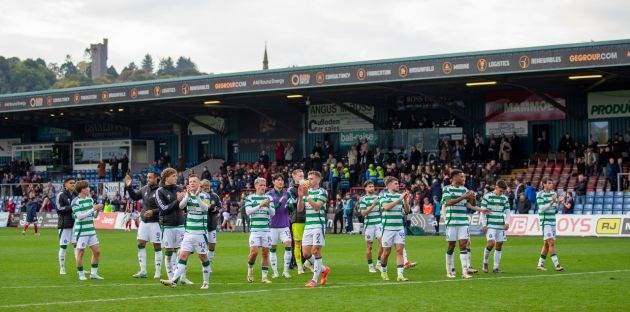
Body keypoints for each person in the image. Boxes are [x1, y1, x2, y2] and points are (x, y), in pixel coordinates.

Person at [161, 174, 212, 289]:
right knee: (183, 255)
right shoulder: (188, 195)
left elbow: (205, 208)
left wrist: (196, 196)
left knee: (203, 257)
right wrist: (188, 196)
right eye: (190, 181)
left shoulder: (205, 195)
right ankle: (173, 280)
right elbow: (180, 206)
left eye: (194, 181)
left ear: (199, 184)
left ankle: (206, 282)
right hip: (189, 232)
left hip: (200, 233)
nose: (192, 183)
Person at [441, 169, 489, 279]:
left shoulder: (464, 189)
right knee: (451, 246)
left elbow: (469, 205)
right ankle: (449, 270)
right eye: (461, 177)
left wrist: (476, 202)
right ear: (454, 178)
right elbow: (448, 203)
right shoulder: (447, 189)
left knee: (464, 245)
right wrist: (464, 196)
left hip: (463, 222)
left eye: (464, 177)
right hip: (451, 221)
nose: (464, 179)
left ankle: (464, 272)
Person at [156, 168, 191, 284]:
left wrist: (186, 199)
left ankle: (182, 278)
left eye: (176, 176)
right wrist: (177, 201)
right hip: (167, 226)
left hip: (181, 225)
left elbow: (184, 207)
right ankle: (171, 278)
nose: (176, 178)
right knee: (169, 252)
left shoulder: (180, 189)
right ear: (166, 178)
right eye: (173, 176)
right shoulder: (160, 191)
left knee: (182, 252)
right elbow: (163, 209)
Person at [125, 172, 163, 279]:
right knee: (140, 244)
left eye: (150, 177)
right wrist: (129, 187)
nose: (148, 179)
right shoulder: (144, 189)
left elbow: (164, 207)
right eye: (147, 177)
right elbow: (135, 197)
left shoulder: (161, 190)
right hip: (144, 222)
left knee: (157, 246)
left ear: (156, 178)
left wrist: (153, 212)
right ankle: (143, 271)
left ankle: (158, 271)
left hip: (155, 223)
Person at [297, 171, 331, 288]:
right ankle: (324, 269)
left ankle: (314, 280)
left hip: (318, 225)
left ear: (318, 180)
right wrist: (301, 197)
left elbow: (317, 207)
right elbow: (300, 209)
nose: (309, 180)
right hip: (308, 226)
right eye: (308, 178)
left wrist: (306, 195)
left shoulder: (323, 192)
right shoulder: (307, 192)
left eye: (311, 178)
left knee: (315, 251)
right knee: (306, 254)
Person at [377, 177, 411, 282]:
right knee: (386, 252)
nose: (398, 185)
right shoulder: (383, 195)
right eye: (395, 183)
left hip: (399, 228)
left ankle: (400, 275)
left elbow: (406, 211)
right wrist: (400, 199)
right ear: (389, 185)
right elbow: (386, 207)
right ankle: (383, 270)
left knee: (399, 250)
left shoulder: (399, 196)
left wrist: (405, 201)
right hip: (387, 228)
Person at [71, 180, 104, 280]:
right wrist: (93, 209)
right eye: (87, 187)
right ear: (82, 190)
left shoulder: (90, 200)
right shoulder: (75, 202)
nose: (89, 189)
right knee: (80, 253)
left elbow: (93, 216)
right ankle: (81, 274)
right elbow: (79, 216)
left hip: (91, 230)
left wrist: (97, 210)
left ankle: (93, 274)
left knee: (97, 252)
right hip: (81, 231)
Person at [245, 178, 276, 284]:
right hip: (254, 230)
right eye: (261, 185)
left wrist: (268, 205)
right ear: (256, 186)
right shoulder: (250, 198)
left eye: (264, 185)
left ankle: (264, 277)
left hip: (266, 230)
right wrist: (260, 205)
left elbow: (273, 213)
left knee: (265, 253)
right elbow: (248, 212)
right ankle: (250, 270)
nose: (263, 187)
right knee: (254, 252)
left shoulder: (269, 198)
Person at [481, 180, 511, 273]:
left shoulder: (504, 198)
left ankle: (496, 267)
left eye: (503, 191)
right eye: (500, 191)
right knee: (491, 243)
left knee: (499, 244)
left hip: (500, 225)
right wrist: (484, 224)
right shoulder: (487, 197)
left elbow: (507, 212)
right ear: (496, 187)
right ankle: (485, 262)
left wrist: (507, 222)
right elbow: (482, 212)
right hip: (490, 225)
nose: (501, 193)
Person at [267, 174, 293, 279]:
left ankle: (285, 271)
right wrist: (278, 204)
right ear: (273, 182)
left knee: (288, 245)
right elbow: (270, 210)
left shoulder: (287, 194)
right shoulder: (269, 194)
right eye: (278, 180)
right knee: (272, 248)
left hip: (284, 225)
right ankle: (275, 271)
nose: (280, 182)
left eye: (282, 180)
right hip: (272, 226)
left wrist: (291, 207)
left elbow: (292, 208)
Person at [536, 178, 564, 272]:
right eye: (549, 183)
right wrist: (552, 202)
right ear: (544, 184)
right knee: (551, 242)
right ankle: (557, 265)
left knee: (546, 245)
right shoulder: (540, 194)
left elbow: (555, 209)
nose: (551, 185)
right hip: (545, 222)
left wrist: (559, 203)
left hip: (552, 221)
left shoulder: (554, 194)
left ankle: (540, 264)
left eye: (552, 183)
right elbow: (542, 208)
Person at [358, 181, 383, 273]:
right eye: (369, 186)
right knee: (369, 247)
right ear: (365, 188)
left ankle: (379, 263)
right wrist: (373, 205)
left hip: (379, 223)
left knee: (383, 244)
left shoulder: (378, 198)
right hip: (369, 225)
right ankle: (370, 266)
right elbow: (363, 213)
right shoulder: (363, 199)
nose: (372, 188)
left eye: (373, 186)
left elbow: (382, 209)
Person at [288, 169, 306, 274]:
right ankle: (294, 263)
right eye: (299, 176)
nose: (302, 178)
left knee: (306, 242)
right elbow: (293, 203)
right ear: (294, 176)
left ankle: (304, 262)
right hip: (296, 218)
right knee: (295, 242)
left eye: (303, 176)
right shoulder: (291, 190)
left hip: (307, 217)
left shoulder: (307, 187)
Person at [56, 178, 76, 275]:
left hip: (76, 225)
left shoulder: (76, 195)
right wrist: (72, 207)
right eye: (71, 183)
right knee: (63, 247)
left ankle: (79, 268)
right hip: (65, 225)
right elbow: (59, 209)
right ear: (65, 185)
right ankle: (62, 268)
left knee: (77, 246)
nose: (73, 184)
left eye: (74, 183)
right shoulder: (61, 195)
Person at [201, 179, 221, 273]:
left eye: (207, 185)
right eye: (204, 185)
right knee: (202, 247)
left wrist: (214, 209)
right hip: (201, 225)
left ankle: (209, 264)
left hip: (212, 224)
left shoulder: (215, 196)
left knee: (212, 246)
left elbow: (219, 207)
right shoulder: (198, 196)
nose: (206, 187)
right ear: (201, 186)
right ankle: (205, 266)